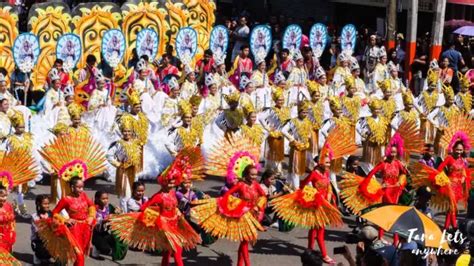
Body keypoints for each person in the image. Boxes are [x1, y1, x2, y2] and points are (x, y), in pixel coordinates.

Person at [272, 126, 355, 264]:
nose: (329, 165)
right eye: (327, 163)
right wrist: (307, 194)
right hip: (316, 204)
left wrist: (329, 196)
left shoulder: (326, 172)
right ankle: (324, 255)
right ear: (321, 163)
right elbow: (304, 184)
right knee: (319, 231)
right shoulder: (314, 173)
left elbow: (328, 185)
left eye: (329, 162)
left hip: (325, 203)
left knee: (316, 230)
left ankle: (309, 250)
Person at [108, 154, 201, 266]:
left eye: (173, 181)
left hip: (175, 224)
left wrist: (177, 212)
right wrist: (156, 217)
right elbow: (144, 207)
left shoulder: (172, 193)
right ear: (164, 182)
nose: (172, 184)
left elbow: (174, 207)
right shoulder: (159, 196)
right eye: (169, 182)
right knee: (177, 252)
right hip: (165, 228)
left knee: (167, 252)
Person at [192, 164, 266, 266]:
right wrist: (236, 205)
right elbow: (227, 195)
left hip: (254, 215)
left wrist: (259, 206)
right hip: (243, 216)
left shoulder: (256, 185)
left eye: (256, 175)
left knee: (244, 242)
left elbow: (264, 196)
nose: (254, 177)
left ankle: (239, 264)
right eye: (252, 175)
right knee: (245, 241)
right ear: (246, 174)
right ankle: (248, 264)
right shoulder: (240, 185)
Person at [43, 177, 96, 266]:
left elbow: (92, 206)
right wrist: (65, 220)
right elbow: (54, 213)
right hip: (74, 229)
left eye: (82, 187)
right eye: (78, 187)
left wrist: (91, 216)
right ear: (72, 187)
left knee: (81, 253)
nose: (81, 189)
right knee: (79, 254)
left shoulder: (84, 195)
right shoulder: (66, 199)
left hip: (86, 227)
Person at [107, 117, 142, 208]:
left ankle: (132, 212)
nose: (127, 133)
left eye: (129, 131)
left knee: (134, 193)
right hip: (124, 172)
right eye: (125, 131)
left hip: (134, 171)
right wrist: (119, 164)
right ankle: (123, 214)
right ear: (122, 132)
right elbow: (109, 155)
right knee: (125, 194)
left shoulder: (135, 143)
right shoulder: (118, 143)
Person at [282, 101, 313, 189]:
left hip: (304, 147)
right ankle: (296, 187)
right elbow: (283, 130)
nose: (305, 114)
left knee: (299, 166)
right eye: (303, 112)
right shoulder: (293, 121)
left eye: (306, 112)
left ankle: (288, 182)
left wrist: (308, 138)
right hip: (296, 147)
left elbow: (309, 132)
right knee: (295, 167)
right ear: (299, 112)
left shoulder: (308, 122)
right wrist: (292, 139)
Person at [259, 87, 290, 174]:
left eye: (282, 100)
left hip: (281, 134)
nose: (281, 101)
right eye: (279, 100)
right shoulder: (271, 110)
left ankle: (270, 168)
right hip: (273, 134)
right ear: (275, 100)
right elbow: (261, 118)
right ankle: (277, 170)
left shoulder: (285, 110)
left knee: (279, 152)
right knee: (274, 152)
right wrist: (268, 128)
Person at [91, 191, 127, 261]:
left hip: (106, 233)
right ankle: (95, 248)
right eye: (103, 199)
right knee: (105, 249)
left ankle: (106, 250)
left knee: (118, 241)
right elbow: (93, 223)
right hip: (95, 234)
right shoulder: (93, 209)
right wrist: (104, 221)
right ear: (97, 199)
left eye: (107, 198)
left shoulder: (109, 207)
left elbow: (119, 216)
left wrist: (119, 212)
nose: (105, 201)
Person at [358, 99, 390, 167]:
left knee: (381, 157)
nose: (377, 111)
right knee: (370, 158)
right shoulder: (366, 119)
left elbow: (386, 128)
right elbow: (360, 128)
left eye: (379, 109)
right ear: (372, 110)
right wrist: (365, 134)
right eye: (375, 109)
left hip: (381, 142)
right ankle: (371, 173)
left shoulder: (383, 119)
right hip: (370, 142)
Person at [31, 195, 53, 265]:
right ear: (39, 204)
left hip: (50, 239)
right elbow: (38, 232)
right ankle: (38, 256)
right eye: (45, 204)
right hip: (39, 240)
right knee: (42, 258)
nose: (47, 206)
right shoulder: (35, 216)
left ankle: (48, 256)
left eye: (48, 203)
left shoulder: (51, 214)